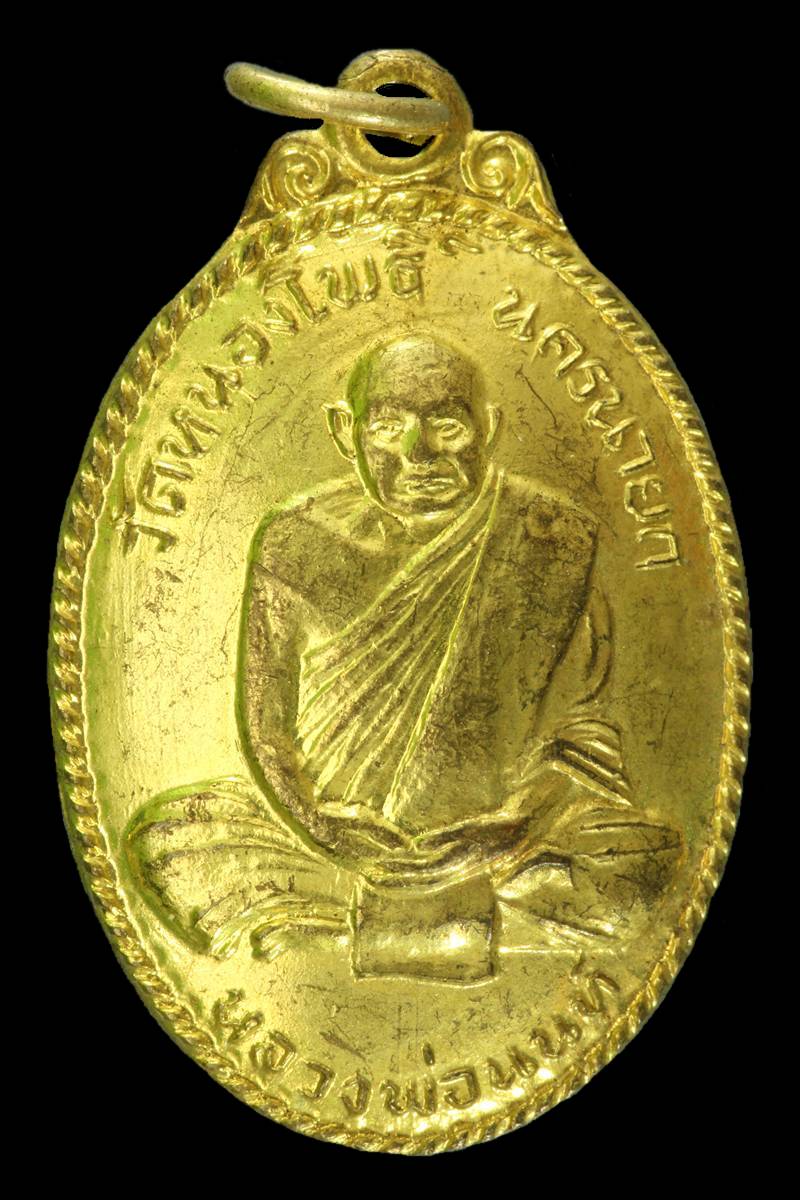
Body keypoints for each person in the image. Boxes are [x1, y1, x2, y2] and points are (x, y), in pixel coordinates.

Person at [128, 334, 682, 983]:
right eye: (388, 428)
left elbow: (579, 731)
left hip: (504, 844)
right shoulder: (296, 543)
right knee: (169, 844)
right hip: (334, 843)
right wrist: (322, 828)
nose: (419, 455)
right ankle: (464, 926)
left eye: (447, 427)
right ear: (345, 433)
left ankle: (330, 925)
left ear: (490, 428)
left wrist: (512, 826)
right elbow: (265, 730)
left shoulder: (549, 540)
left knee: (644, 864)